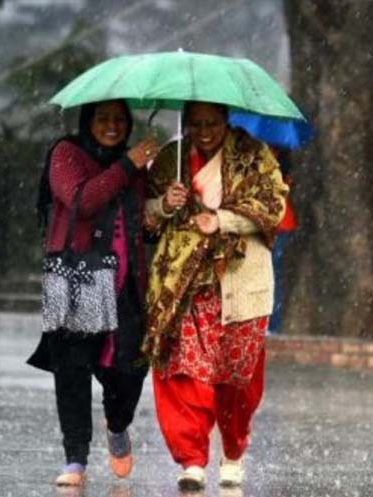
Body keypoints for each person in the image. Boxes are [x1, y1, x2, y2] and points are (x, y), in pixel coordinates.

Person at [142, 101, 287, 490]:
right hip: (183, 283)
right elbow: (144, 215)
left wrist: (222, 219)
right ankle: (191, 459)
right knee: (183, 369)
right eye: (196, 124)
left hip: (241, 281)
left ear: (226, 120)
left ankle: (233, 451)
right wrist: (164, 204)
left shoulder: (254, 155)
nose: (204, 132)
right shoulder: (171, 159)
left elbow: (273, 206)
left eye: (212, 124)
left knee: (237, 378)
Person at [28, 99, 158, 487]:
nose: (112, 126)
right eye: (103, 118)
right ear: (88, 121)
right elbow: (82, 201)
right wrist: (128, 165)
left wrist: (163, 207)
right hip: (75, 273)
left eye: (119, 119)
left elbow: (146, 227)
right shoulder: (67, 153)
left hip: (125, 282)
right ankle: (75, 458)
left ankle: (117, 424)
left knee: (129, 370)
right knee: (73, 370)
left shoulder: (134, 165)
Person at [268, 147, 298, 334]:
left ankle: (271, 324)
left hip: (276, 225)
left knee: (272, 275)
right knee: (273, 276)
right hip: (279, 224)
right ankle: (271, 324)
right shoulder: (281, 156)